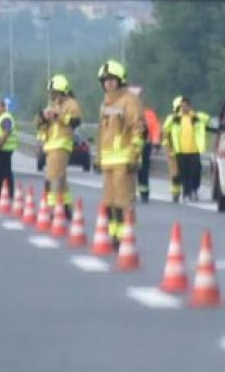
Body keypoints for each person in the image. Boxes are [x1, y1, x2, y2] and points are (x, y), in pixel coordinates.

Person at [96, 61, 146, 245]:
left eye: (112, 80)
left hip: (124, 158)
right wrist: (98, 156)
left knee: (123, 200)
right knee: (109, 201)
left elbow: (138, 129)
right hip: (108, 160)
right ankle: (114, 234)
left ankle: (125, 236)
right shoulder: (105, 103)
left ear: (120, 81)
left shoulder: (130, 100)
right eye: (105, 80)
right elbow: (102, 131)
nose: (108, 83)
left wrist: (135, 153)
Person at [35, 74, 84, 222]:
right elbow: (38, 124)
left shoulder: (71, 104)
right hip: (51, 144)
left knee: (52, 178)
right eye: (51, 93)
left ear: (63, 91)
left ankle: (52, 209)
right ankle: (66, 206)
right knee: (61, 179)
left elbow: (75, 121)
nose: (52, 96)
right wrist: (43, 117)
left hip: (61, 144)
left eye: (55, 93)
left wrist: (58, 116)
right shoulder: (52, 105)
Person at [165, 96, 210, 203]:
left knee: (195, 171)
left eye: (186, 106)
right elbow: (165, 131)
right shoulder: (174, 119)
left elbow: (208, 120)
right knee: (184, 174)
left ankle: (194, 189)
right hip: (180, 151)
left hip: (194, 150)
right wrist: (169, 148)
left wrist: (195, 116)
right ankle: (186, 193)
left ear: (190, 106)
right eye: (182, 106)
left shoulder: (197, 117)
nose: (184, 108)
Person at [134, 88, 162, 204]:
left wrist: (156, 144)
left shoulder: (149, 114)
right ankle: (128, 193)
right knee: (128, 171)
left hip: (145, 146)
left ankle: (144, 193)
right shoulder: (125, 113)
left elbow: (155, 129)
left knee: (143, 170)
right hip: (128, 147)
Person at [0, 98, 18, 201]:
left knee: (4, 172)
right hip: (2, 148)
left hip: (4, 148)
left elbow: (6, 133)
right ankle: (2, 191)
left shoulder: (6, 118)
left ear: (3, 107)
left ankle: (8, 192)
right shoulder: (1, 117)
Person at [163, 96, 185, 202]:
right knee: (175, 174)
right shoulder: (171, 120)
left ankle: (188, 192)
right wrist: (168, 149)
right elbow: (165, 135)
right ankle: (175, 193)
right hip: (173, 151)